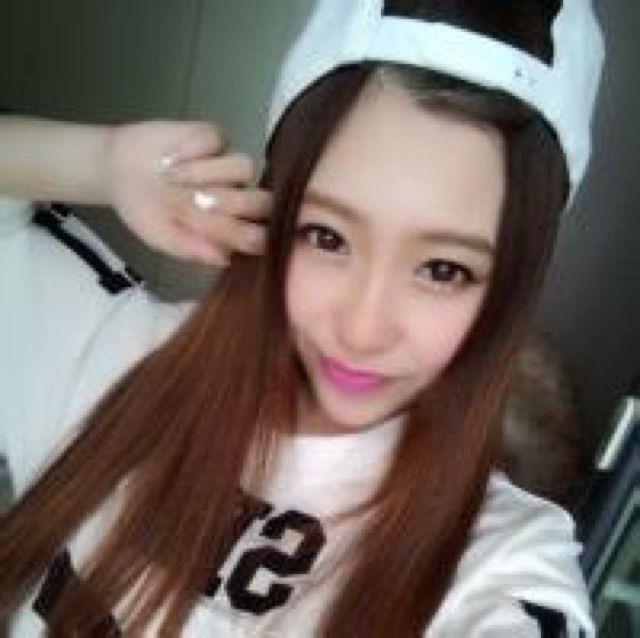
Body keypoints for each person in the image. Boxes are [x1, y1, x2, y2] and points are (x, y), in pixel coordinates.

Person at [0, 0, 605, 635]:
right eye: (327, 236)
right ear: (277, 211)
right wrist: (100, 162)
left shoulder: (495, 564)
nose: (362, 331)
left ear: (507, 288)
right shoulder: (114, 349)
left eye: (443, 270)